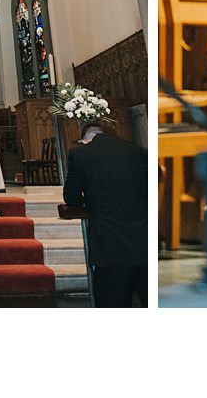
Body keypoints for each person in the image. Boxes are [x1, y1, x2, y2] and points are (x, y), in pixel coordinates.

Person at [63, 121, 149, 307]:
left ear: (85, 140)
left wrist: (90, 200)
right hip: (144, 240)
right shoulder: (137, 151)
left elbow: (71, 197)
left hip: (110, 245)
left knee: (112, 302)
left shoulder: (80, 154)